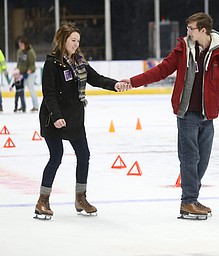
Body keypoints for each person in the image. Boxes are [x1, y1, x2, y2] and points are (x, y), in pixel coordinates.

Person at [122, 12, 219, 220]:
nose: (188, 32)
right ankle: (188, 201)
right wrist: (133, 81)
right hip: (186, 114)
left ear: (203, 30)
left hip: (207, 115)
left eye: (191, 29)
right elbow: (161, 71)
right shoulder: (183, 49)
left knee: (202, 161)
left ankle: (191, 198)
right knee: (189, 158)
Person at [34, 23, 131, 220]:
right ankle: (42, 201)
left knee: (84, 155)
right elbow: (49, 93)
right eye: (73, 40)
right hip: (53, 118)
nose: (76, 44)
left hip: (75, 117)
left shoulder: (79, 62)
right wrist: (57, 116)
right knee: (56, 156)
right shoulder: (52, 63)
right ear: (62, 40)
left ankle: (81, 197)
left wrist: (116, 84)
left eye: (78, 41)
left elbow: (96, 78)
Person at [16, 36, 39, 112]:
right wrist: (18, 70)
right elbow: (19, 63)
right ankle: (22, 105)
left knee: (31, 88)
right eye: (20, 45)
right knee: (21, 90)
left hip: (30, 74)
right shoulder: (19, 52)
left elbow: (32, 64)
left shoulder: (30, 52)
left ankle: (35, 106)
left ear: (25, 44)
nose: (21, 46)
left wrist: (29, 71)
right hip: (21, 74)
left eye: (22, 45)